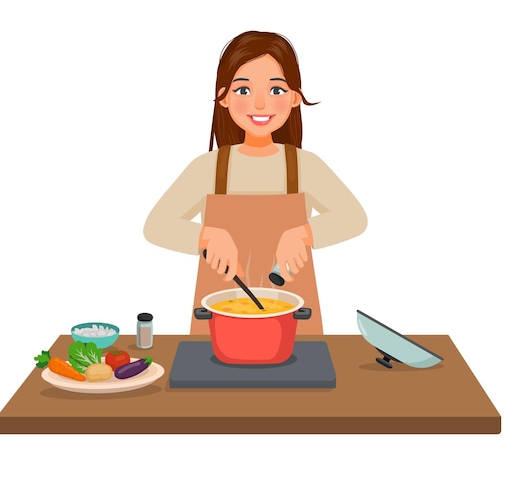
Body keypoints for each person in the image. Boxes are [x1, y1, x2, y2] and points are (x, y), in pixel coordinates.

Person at [144, 30, 367, 334]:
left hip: (293, 318)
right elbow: (156, 225)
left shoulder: (305, 166)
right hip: (219, 316)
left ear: (294, 98)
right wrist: (206, 236)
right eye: (243, 91)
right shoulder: (207, 168)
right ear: (223, 98)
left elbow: (354, 217)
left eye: (276, 90)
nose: (260, 104)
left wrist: (304, 233)